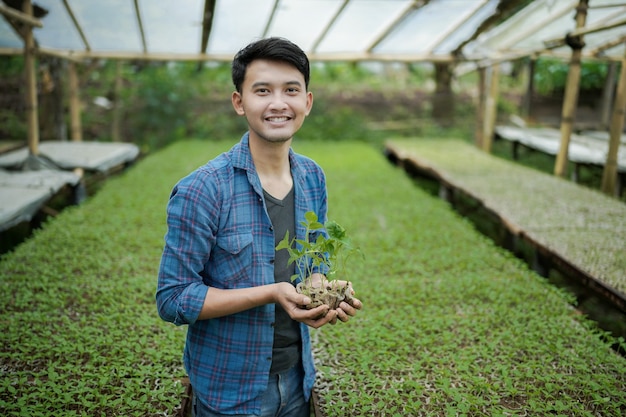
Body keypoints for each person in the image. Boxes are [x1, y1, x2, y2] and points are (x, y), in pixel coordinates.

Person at [156, 37, 362, 417]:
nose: (278, 103)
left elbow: (312, 264)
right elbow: (173, 299)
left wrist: (322, 289)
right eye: (262, 90)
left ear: (307, 102)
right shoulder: (202, 188)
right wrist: (270, 293)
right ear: (240, 102)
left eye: (291, 90)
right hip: (229, 390)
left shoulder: (312, 177)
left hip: (299, 381)